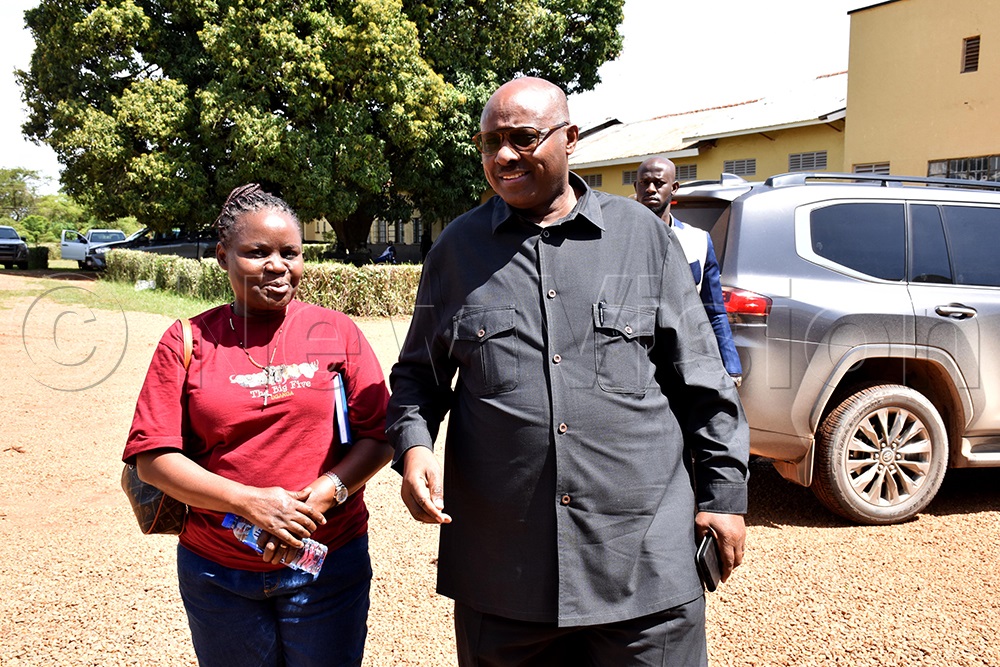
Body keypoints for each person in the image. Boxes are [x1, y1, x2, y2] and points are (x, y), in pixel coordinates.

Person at [387, 77, 749, 665]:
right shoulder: (456, 251)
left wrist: (724, 495)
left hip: (643, 570)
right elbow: (417, 380)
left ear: (570, 139)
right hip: (505, 578)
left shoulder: (643, 240)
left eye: (523, 138)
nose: (503, 156)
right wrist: (414, 448)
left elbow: (703, 383)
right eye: (489, 143)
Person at [122, 184, 392, 667]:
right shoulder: (185, 340)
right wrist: (250, 503)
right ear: (224, 255)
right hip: (217, 573)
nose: (277, 265)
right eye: (257, 252)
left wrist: (327, 493)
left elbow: (379, 434)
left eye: (290, 252)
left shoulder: (335, 331)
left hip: (326, 563)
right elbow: (153, 460)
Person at [635, 156, 744, 386]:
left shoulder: (697, 241)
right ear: (636, 187)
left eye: (659, 183)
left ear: (674, 188)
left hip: (683, 364)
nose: (650, 189)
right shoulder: (619, 239)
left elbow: (713, 310)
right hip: (635, 363)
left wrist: (731, 366)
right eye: (644, 183)